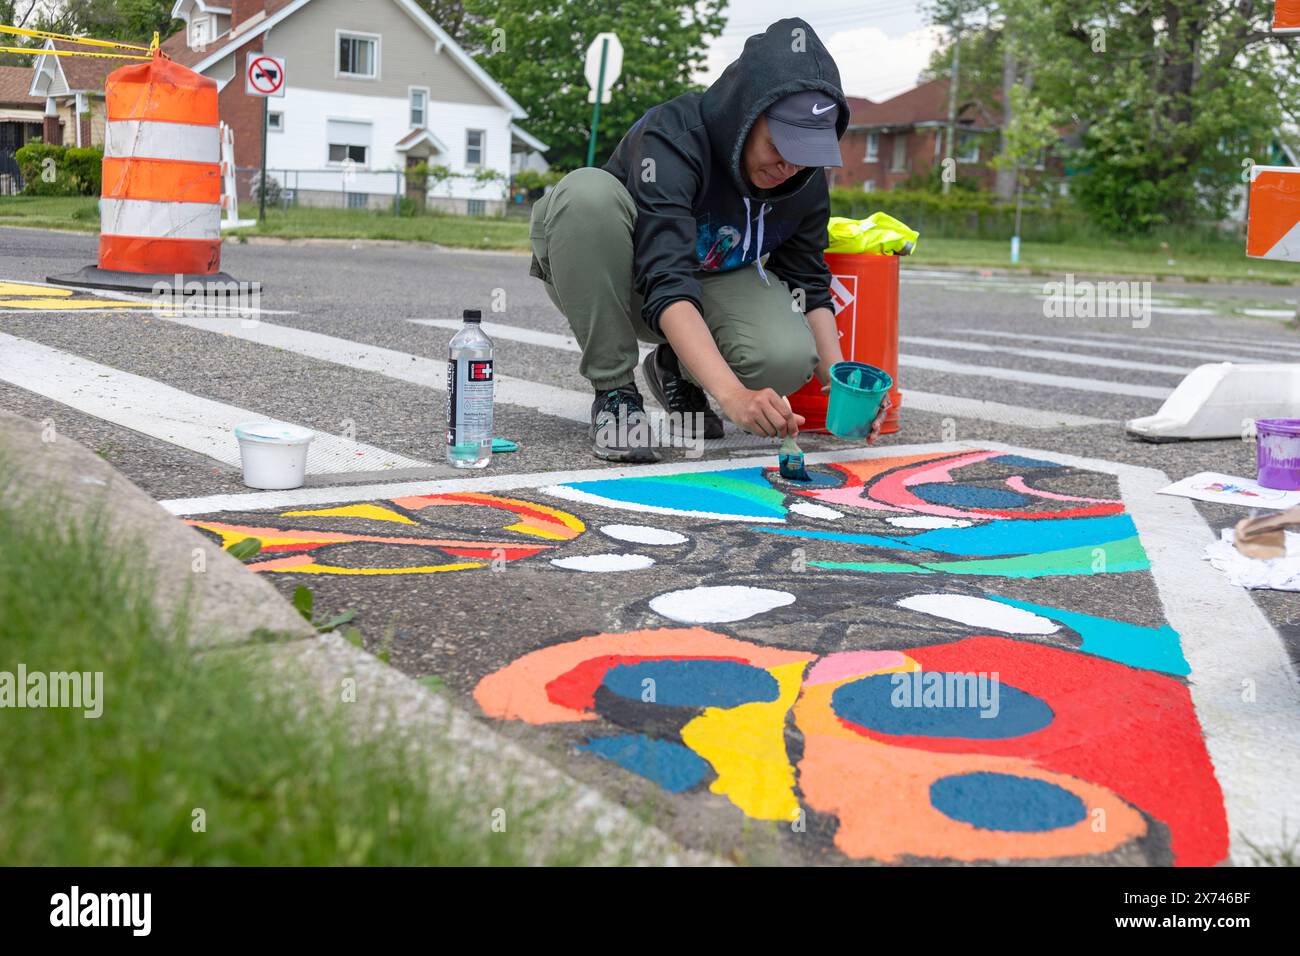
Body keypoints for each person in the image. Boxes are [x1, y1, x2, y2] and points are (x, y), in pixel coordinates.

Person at [528, 17, 887, 461]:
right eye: (780, 146)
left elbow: (807, 280)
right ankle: (615, 392)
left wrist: (839, 378)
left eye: (807, 152)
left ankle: (674, 366)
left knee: (788, 358)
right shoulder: (674, 137)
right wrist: (733, 395)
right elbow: (668, 278)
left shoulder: (804, 175)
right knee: (586, 194)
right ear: (745, 115)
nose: (789, 167)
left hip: (708, 279)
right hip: (624, 277)